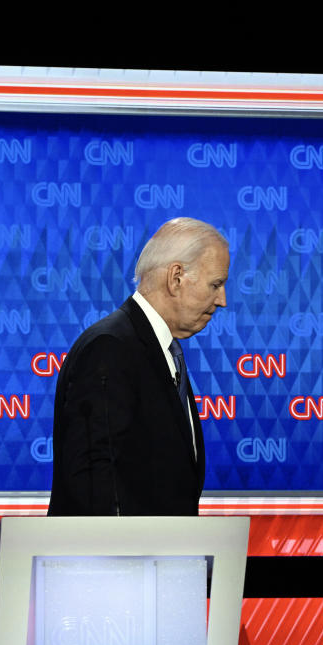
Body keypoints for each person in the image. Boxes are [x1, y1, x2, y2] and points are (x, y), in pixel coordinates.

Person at [48, 217, 230, 516]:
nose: (222, 300)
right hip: (116, 559)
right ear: (176, 277)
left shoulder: (158, 349)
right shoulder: (110, 348)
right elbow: (95, 488)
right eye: (216, 284)